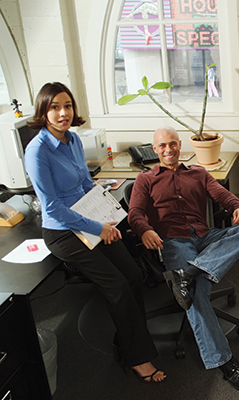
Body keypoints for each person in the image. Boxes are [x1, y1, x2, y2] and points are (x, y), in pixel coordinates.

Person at [24, 82, 166, 383]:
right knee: (116, 286)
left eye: (68, 106)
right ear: (43, 111)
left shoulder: (73, 140)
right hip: (64, 232)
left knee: (132, 275)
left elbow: (86, 184)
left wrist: (110, 216)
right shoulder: (37, 151)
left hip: (92, 222)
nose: (63, 113)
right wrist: (97, 228)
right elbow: (52, 209)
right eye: (55, 107)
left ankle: (128, 341)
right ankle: (137, 357)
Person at [127, 126, 239, 390]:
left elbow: (221, 194)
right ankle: (224, 361)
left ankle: (186, 275)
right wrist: (145, 229)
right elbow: (135, 213)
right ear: (155, 149)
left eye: (173, 144)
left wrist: (237, 206)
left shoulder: (198, 173)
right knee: (196, 293)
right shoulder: (146, 179)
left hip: (204, 236)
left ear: (180, 146)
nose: (168, 150)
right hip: (174, 242)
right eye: (162, 146)